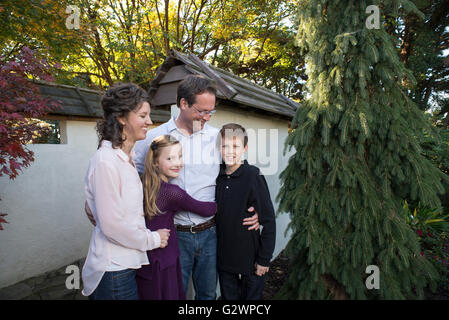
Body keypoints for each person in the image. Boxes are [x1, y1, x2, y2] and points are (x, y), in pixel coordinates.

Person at [133, 75, 260, 300]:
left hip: (210, 232)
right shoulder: (154, 137)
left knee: (208, 295)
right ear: (183, 104)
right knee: (175, 293)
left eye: (211, 112)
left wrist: (255, 208)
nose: (207, 117)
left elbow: (240, 172)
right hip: (172, 235)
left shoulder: (216, 137)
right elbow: (134, 177)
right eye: (202, 111)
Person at [81, 83, 170, 300]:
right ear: (121, 118)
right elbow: (112, 226)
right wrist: (153, 239)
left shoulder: (124, 158)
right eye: (142, 115)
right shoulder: (107, 161)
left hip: (124, 264)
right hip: (113, 271)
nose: (149, 121)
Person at [136, 135, 217, 299]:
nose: (178, 163)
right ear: (156, 162)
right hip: (164, 257)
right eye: (170, 158)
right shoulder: (172, 193)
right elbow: (206, 209)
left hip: (144, 257)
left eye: (179, 156)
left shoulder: (141, 183)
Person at [215, 123, 276, 300]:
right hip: (225, 260)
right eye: (225, 146)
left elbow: (269, 220)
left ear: (245, 148)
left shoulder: (253, 175)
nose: (229, 151)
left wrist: (264, 259)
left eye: (235, 146)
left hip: (251, 261)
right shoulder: (216, 176)